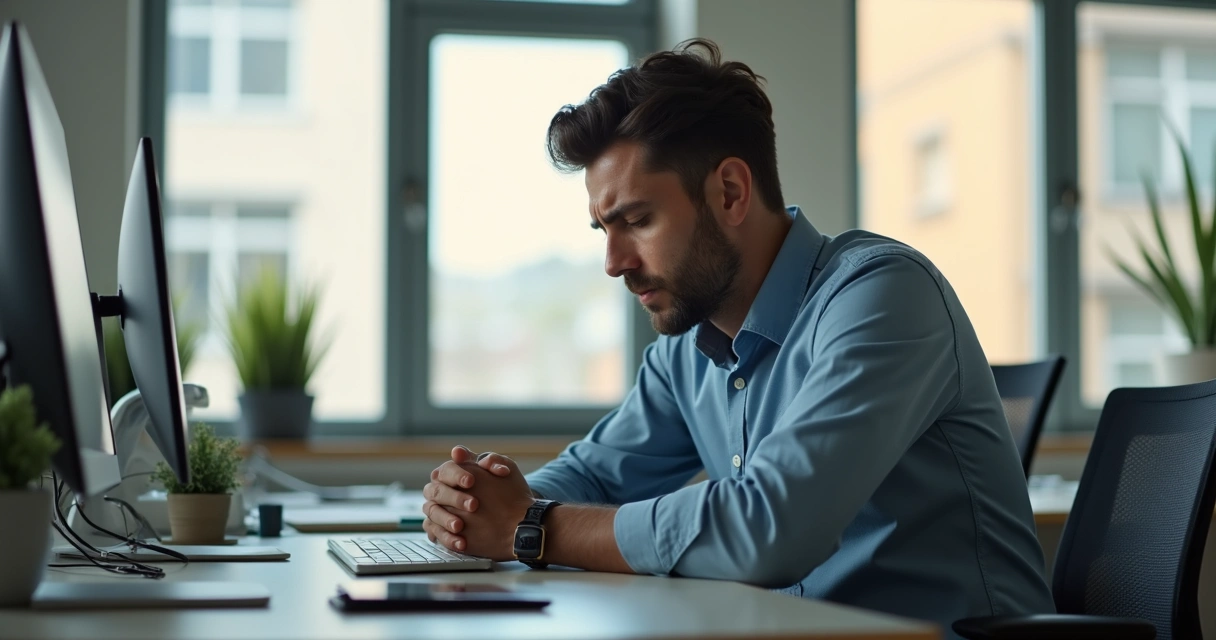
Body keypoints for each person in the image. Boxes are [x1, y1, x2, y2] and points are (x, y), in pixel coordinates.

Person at [421, 38, 1054, 632]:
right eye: (602, 231)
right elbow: (595, 476)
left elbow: (771, 527)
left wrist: (532, 527)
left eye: (636, 220)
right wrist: (480, 504)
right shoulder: (684, 350)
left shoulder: (882, 296)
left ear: (729, 191)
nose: (613, 262)